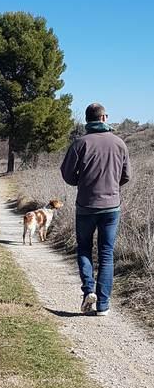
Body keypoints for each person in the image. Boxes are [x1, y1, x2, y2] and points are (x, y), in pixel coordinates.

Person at [60, 103, 131, 316]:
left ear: (88, 119)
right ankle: (103, 305)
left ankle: (88, 290)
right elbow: (126, 176)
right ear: (103, 118)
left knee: (83, 249)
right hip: (111, 206)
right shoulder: (119, 143)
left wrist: (82, 182)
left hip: (86, 205)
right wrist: (111, 184)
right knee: (106, 254)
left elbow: (67, 174)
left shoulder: (79, 143)